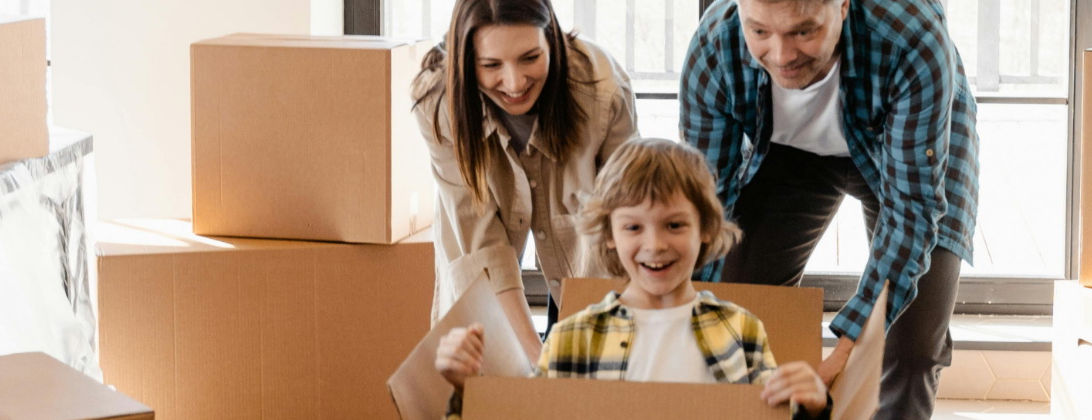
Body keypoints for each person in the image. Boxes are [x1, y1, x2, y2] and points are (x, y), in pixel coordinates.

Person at [680, 0, 980, 418]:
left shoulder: (911, 38)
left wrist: (848, 348)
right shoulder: (716, 45)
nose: (782, 56)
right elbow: (706, 203)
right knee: (740, 305)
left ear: (841, 7)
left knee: (909, 350)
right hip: (785, 155)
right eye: (760, 32)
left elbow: (912, 211)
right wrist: (686, 316)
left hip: (908, 152)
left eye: (803, 32)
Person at [435, 138, 833, 419]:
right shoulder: (572, 339)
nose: (655, 244)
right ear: (609, 234)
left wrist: (813, 407)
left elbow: (774, 413)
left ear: (706, 229)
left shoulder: (741, 330)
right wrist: (465, 390)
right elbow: (529, 415)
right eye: (633, 228)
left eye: (675, 224)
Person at [412, 0, 639, 361]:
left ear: (552, 40)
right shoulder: (439, 101)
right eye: (491, 65)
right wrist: (535, 357)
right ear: (465, 60)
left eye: (530, 58)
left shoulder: (604, 89)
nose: (515, 83)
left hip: (589, 250)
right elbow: (482, 243)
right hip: (482, 251)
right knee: (491, 372)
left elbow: (626, 222)